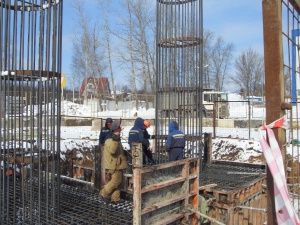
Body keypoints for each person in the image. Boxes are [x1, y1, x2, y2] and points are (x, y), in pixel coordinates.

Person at [100, 119, 128, 204]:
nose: (122, 128)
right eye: (120, 127)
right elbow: (112, 150)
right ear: (116, 129)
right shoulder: (110, 139)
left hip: (117, 163)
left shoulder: (114, 138)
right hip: (114, 164)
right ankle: (103, 193)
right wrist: (116, 139)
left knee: (118, 182)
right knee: (116, 181)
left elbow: (117, 150)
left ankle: (115, 198)